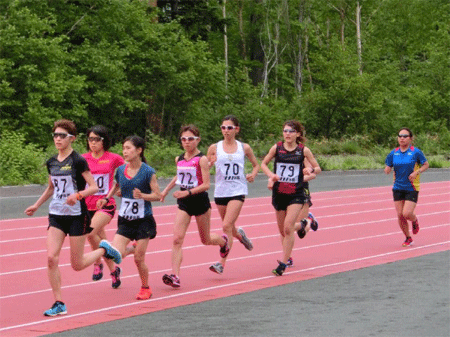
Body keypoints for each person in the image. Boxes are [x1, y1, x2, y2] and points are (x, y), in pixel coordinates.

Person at [25, 119, 121, 317]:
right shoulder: (51, 161)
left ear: (72, 139)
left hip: (77, 215)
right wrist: (36, 205)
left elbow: (93, 187)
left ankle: (104, 249)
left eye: (62, 136)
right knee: (51, 258)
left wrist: (78, 196)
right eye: (55, 135)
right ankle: (59, 302)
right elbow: (51, 188)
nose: (57, 139)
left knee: (77, 265)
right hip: (56, 215)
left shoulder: (78, 160)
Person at [161, 124, 230, 287]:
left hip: (199, 201)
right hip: (184, 203)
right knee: (177, 239)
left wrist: (188, 192)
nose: (186, 142)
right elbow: (178, 176)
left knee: (205, 240)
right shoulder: (179, 158)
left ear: (197, 140)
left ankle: (223, 242)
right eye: (183, 139)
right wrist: (165, 191)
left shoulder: (202, 159)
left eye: (190, 139)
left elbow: (206, 185)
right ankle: (175, 276)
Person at [97, 135, 161, 300]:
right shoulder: (120, 170)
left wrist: (143, 196)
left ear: (139, 150)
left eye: (128, 148)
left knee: (139, 259)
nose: (124, 152)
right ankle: (132, 248)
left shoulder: (148, 172)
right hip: (125, 219)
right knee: (115, 254)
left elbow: (157, 195)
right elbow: (116, 186)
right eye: (123, 148)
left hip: (143, 220)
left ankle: (145, 287)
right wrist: (107, 198)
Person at [261, 120, 321, 276]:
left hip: (296, 193)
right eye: (285, 131)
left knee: (288, 227)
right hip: (279, 193)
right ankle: (304, 224)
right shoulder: (277, 148)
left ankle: (283, 263)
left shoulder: (303, 151)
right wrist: (271, 176)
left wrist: (309, 169)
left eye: (291, 131)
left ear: (298, 134)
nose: (287, 134)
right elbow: (264, 164)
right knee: (283, 230)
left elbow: (317, 168)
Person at [207, 115, 260, 274]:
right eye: (223, 127)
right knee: (230, 228)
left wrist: (253, 174)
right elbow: (206, 168)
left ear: (236, 129)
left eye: (229, 128)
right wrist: (210, 163)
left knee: (226, 226)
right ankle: (240, 236)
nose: (226, 131)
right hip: (221, 191)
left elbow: (256, 165)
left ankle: (221, 263)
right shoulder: (214, 147)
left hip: (238, 190)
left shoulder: (244, 147)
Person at [82, 125, 125, 288]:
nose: (93, 143)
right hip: (87, 205)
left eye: (96, 139)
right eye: (90, 139)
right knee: (103, 241)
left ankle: (96, 263)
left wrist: (120, 189)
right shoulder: (83, 158)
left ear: (104, 141)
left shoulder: (113, 158)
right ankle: (114, 271)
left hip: (106, 204)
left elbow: (128, 172)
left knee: (91, 233)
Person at [384, 127, 429, 247]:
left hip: (412, 187)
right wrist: (387, 169)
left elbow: (426, 164)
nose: (402, 138)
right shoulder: (393, 153)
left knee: (407, 213)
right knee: (400, 215)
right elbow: (387, 167)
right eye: (400, 136)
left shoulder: (416, 152)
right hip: (398, 187)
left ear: (410, 138)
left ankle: (414, 220)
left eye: (405, 136)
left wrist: (416, 172)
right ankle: (408, 238)